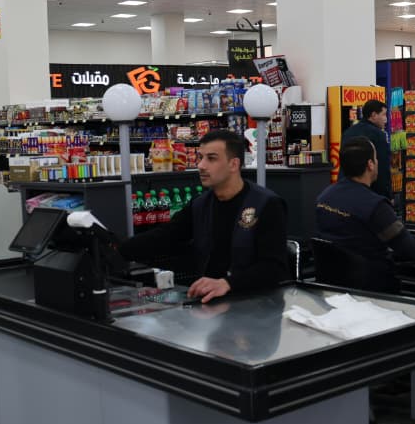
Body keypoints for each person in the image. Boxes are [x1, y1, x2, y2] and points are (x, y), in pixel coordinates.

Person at [118, 129, 288, 303]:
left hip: (257, 305)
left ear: (233, 164)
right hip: (210, 303)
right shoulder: (201, 204)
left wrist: (228, 283)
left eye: (211, 158)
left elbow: (274, 268)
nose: (201, 165)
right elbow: (166, 236)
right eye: (200, 157)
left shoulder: (266, 204)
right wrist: (116, 249)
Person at [315, 137, 415, 291]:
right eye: (376, 158)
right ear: (370, 164)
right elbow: (413, 250)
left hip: (333, 283)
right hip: (372, 286)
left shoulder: (325, 196)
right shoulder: (375, 206)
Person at [342, 99, 392, 199]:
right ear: (373, 115)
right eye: (383, 115)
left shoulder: (348, 132)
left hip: (347, 189)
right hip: (372, 191)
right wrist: (387, 195)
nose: (386, 119)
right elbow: (383, 167)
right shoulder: (378, 135)